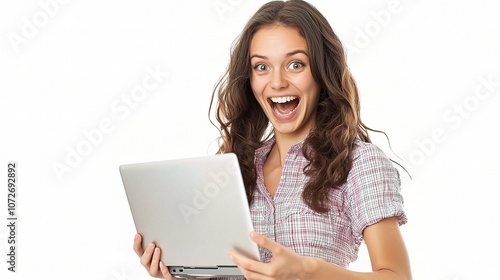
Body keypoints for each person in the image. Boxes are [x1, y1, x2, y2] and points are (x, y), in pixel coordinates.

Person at [133, 0, 412, 279]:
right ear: (249, 79)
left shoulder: (359, 163)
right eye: (262, 67)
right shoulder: (231, 170)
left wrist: (305, 270)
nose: (277, 82)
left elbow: (397, 276)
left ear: (321, 71)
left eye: (295, 64)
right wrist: (178, 269)